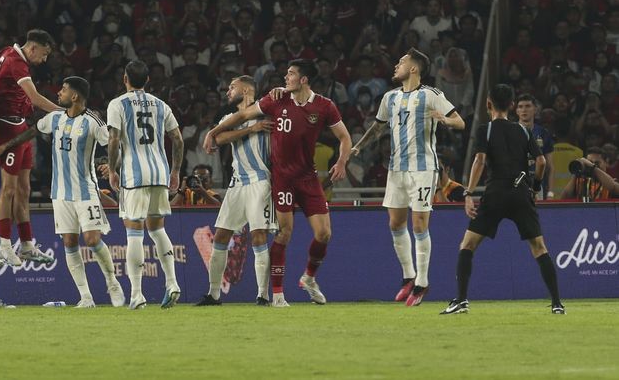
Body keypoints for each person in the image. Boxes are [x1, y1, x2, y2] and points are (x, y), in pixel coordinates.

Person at [204, 59, 353, 307]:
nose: (285, 77)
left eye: (291, 73)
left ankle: (308, 278)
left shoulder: (324, 106)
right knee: (282, 233)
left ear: (303, 79)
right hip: (279, 179)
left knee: (324, 233)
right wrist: (212, 132)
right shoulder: (275, 99)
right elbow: (239, 117)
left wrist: (341, 162)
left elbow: (344, 137)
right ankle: (274, 295)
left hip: (304, 177)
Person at [0, 76, 125, 308]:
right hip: (60, 193)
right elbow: (31, 132)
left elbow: (114, 143)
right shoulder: (55, 118)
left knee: (92, 240)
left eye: (63, 90)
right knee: (70, 242)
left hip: (86, 191)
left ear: (75, 96)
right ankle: (86, 297)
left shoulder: (92, 120)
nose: (58, 93)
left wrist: (112, 166)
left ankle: (112, 282)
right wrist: (5, 146)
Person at [350, 48, 465, 306]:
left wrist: (444, 121)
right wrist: (360, 146)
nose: (396, 66)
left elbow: (460, 122)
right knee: (395, 223)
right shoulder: (389, 98)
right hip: (397, 168)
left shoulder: (431, 94)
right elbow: (378, 126)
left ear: (413, 68)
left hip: (423, 168)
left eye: (401, 62)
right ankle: (408, 276)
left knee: (419, 225)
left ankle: (422, 282)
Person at [442, 84, 564, 315]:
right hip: (521, 193)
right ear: (511, 105)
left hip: (495, 194)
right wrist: (535, 187)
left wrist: (468, 193)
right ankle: (557, 303)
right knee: (539, 247)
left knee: (468, 245)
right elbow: (542, 163)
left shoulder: (485, 130)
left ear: (488, 104)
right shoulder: (523, 131)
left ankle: (461, 300)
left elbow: (479, 160)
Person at [106, 60, 185, 310]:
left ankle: (137, 294)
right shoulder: (161, 105)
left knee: (134, 232)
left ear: (125, 78)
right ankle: (171, 283)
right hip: (159, 173)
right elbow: (178, 140)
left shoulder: (117, 104)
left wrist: (112, 169)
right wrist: (175, 171)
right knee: (157, 228)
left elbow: (113, 139)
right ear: (148, 79)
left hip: (134, 174)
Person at [0, 29, 60, 266]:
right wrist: (65, 113)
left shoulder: (5, 53)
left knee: (24, 190)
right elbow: (35, 99)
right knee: (9, 190)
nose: (44, 60)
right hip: (8, 128)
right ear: (33, 48)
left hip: (21, 130)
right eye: (43, 55)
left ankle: (26, 246)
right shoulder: (17, 64)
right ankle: (4, 245)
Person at [194, 75, 276, 306]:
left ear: (247, 89)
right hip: (237, 182)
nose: (228, 91)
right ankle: (214, 294)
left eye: (232, 87)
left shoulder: (264, 111)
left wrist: (258, 126)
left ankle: (263, 295)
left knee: (258, 236)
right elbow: (220, 137)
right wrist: (252, 130)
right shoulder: (229, 118)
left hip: (260, 180)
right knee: (220, 235)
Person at [515, 94, 555, 199]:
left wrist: (550, 192)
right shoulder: (510, 132)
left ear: (535, 110)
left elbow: (550, 166)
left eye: (528, 106)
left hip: (538, 185)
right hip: (515, 184)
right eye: (520, 106)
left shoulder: (543, 133)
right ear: (516, 111)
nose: (524, 110)